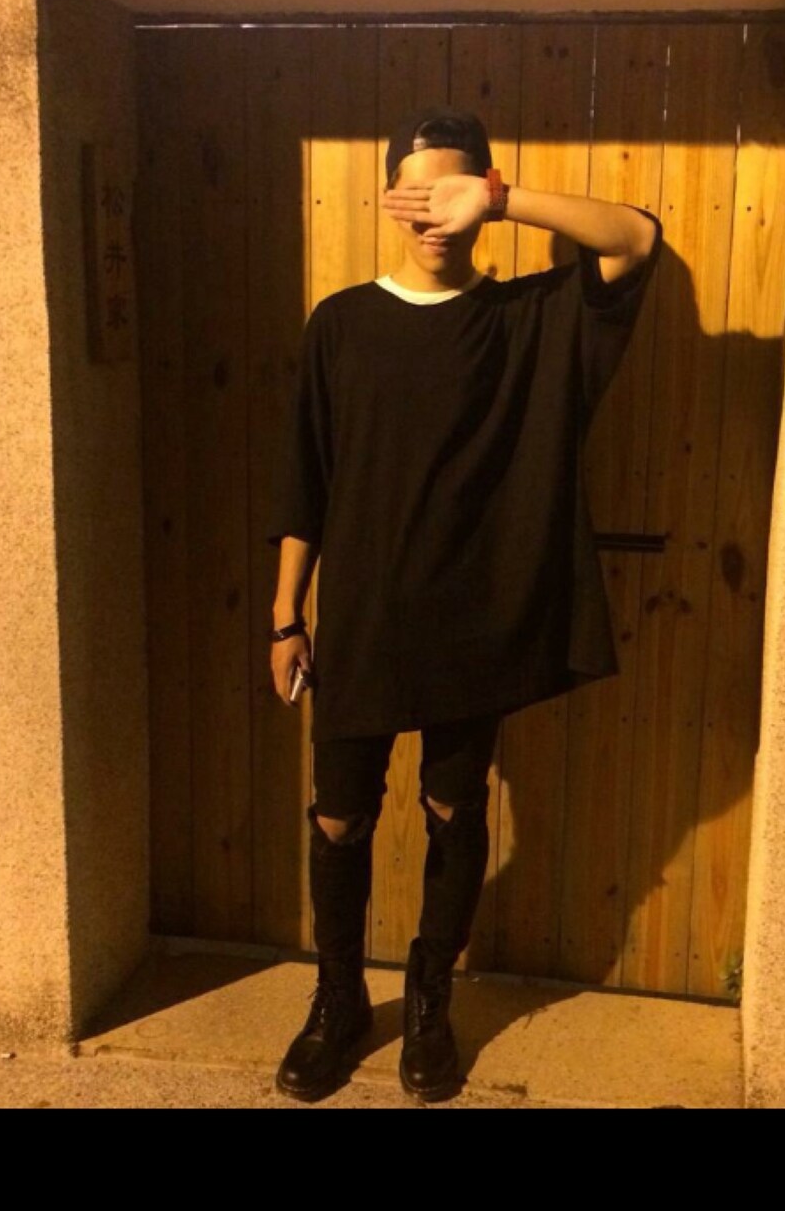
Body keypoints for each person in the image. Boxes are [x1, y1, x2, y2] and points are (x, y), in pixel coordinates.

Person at [266, 106, 663, 1103]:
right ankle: (338, 1000)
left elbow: (634, 239)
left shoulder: (530, 320)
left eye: (453, 189)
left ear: (482, 193)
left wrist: (502, 198)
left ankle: (429, 1001)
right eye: (416, 191)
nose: (432, 209)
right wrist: (285, 615)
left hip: (477, 619)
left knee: (453, 808)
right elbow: (305, 481)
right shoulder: (340, 324)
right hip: (361, 618)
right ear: (389, 199)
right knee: (338, 816)